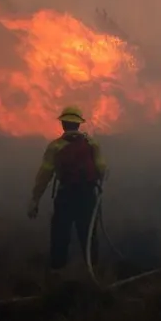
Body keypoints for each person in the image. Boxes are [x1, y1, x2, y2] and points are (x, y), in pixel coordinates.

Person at [27, 105, 108, 271]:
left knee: (60, 233)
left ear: (63, 124)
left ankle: (58, 271)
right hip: (88, 195)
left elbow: (44, 175)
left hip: (66, 196)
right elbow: (102, 169)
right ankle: (94, 270)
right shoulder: (92, 144)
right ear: (79, 124)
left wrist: (35, 199)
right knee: (88, 234)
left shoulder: (55, 146)